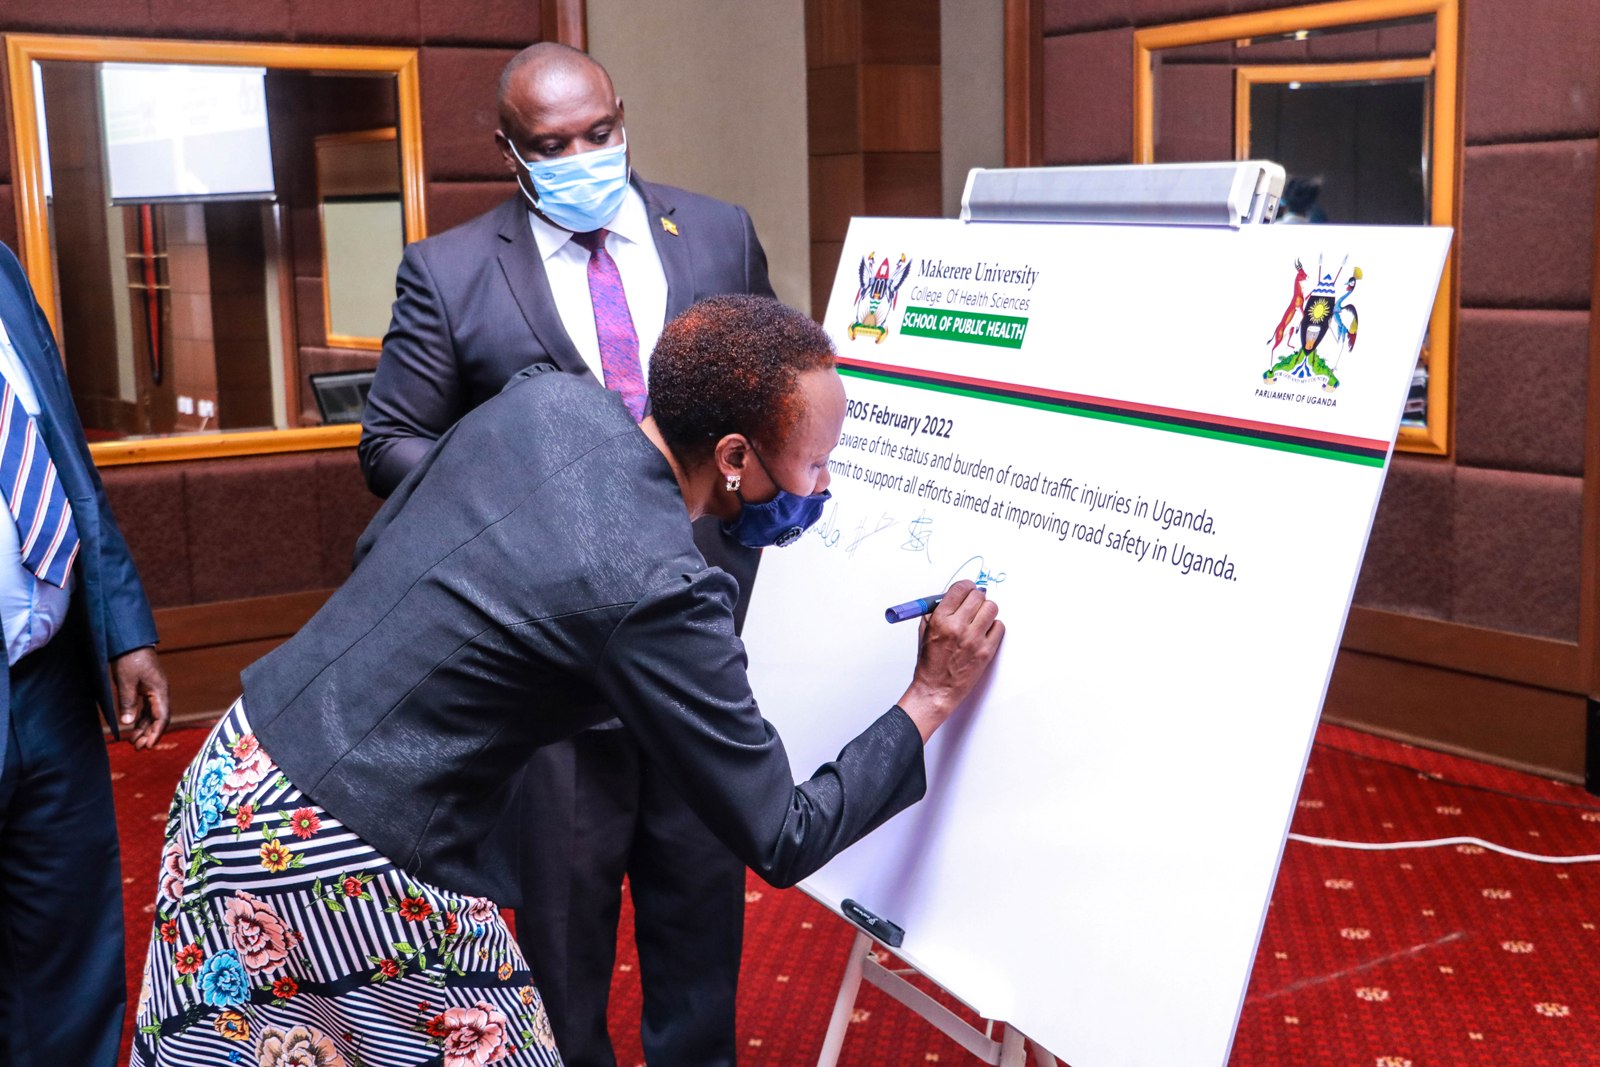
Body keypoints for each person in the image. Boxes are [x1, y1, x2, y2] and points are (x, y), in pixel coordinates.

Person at [130, 295, 1003, 1067]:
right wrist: (928, 694)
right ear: (735, 456)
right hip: (346, 855)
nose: (823, 486)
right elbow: (782, 832)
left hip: (237, 767)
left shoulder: (542, 399)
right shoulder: (662, 584)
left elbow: (378, 548)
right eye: (814, 465)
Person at [358, 42, 773, 1066]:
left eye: (599, 134)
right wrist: (539, 473)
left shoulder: (716, 234)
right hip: (550, 670)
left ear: (622, 117)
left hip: (695, 644)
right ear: (509, 151)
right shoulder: (450, 271)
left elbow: (771, 391)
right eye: (551, 145)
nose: (582, 156)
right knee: (562, 951)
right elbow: (388, 444)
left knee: (700, 924)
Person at [0, 240, 170, 1067]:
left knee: (70, 949)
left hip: (50, 677)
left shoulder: (1, 268)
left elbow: (66, 459)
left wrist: (123, 627)